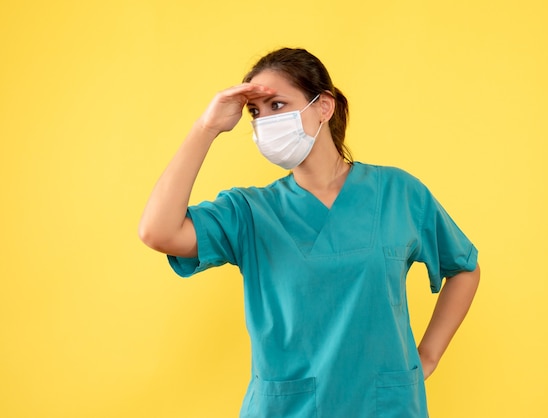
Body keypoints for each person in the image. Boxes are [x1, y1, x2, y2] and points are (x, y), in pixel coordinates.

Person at [139, 47, 480, 418]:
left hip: (385, 406)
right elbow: (158, 231)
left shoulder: (399, 193)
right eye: (255, 112)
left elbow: (464, 266)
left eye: (278, 105)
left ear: (323, 107)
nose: (264, 120)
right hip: (288, 409)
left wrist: (428, 356)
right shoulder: (250, 212)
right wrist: (205, 129)